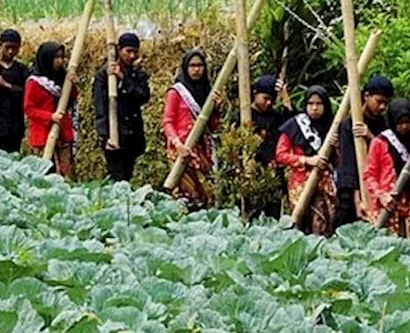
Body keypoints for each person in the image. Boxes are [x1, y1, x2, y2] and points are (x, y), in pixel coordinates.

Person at [364, 99, 410, 250]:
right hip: (388, 204)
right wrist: (381, 195)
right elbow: (369, 175)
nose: (405, 127)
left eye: (408, 122)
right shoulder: (380, 142)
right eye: (400, 123)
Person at [163, 49, 222, 208]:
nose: (196, 69)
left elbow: (212, 127)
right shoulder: (176, 92)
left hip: (201, 151)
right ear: (186, 68)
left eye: (200, 65)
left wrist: (216, 109)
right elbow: (167, 122)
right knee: (185, 195)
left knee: (204, 195)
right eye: (192, 66)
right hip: (181, 150)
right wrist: (177, 144)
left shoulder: (208, 93)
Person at [334, 75, 394, 228]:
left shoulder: (383, 125)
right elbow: (348, 163)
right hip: (351, 189)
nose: (382, 107)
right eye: (379, 101)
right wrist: (357, 197)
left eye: (385, 104)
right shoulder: (349, 124)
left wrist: (371, 138)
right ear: (367, 96)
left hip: (377, 187)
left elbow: (389, 155)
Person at [275, 86, 335, 234]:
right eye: (310, 104)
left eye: (319, 104)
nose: (314, 108)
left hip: (325, 184)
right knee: (301, 225)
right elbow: (280, 155)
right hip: (301, 184)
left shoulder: (332, 128)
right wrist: (307, 160)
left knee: (323, 225)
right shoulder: (294, 125)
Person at [92, 32, 151, 182]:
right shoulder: (103, 76)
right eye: (128, 51)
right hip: (115, 134)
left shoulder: (138, 75)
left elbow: (143, 96)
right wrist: (105, 136)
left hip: (132, 134)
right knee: (117, 176)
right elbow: (100, 108)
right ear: (119, 50)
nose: (132, 56)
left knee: (127, 174)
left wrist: (123, 79)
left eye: (135, 52)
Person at [230, 74, 290, 219]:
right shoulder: (241, 116)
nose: (269, 103)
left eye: (271, 100)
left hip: (272, 176)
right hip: (249, 174)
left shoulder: (277, 118)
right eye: (265, 99)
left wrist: (286, 99)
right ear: (255, 94)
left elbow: (293, 124)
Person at [25, 40, 77, 177]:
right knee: (46, 172)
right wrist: (50, 117)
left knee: (66, 173)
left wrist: (72, 84)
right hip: (43, 134)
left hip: (62, 133)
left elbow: (71, 100)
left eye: (62, 57)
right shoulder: (34, 82)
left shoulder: (63, 78)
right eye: (56, 58)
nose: (60, 61)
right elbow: (29, 109)